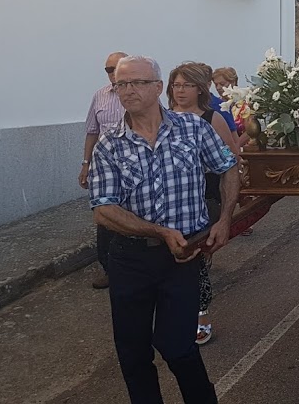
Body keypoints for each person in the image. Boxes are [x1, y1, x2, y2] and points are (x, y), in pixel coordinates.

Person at [89, 55, 239, 404]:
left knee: (178, 347)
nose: (127, 90)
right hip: (129, 259)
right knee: (133, 353)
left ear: (158, 87)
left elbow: (229, 167)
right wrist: (158, 232)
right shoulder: (110, 143)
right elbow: (103, 209)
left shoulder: (193, 128)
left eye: (137, 82)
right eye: (121, 84)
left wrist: (225, 218)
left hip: (183, 258)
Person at [166, 62, 242, 345]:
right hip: (174, 196)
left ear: (200, 89)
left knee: (194, 255)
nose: (180, 90)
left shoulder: (213, 117)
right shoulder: (164, 118)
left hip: (207, 192)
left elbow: (230, 158)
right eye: (176, 85)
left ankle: (201, 315)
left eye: (186, 85)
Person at [80, 51, 128, 290]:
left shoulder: (139, 94)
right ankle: (109, 268)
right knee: (105, 215)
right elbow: (91, 131)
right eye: (108, 70)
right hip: (103, 166)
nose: (112, 73)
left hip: (132, 164)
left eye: (117, 68)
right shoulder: (100, 96)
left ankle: (131, 264)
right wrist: (85, 164)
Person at [212, 66, 250, 149]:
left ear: (233, 82)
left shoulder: (246, 104)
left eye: (222, 84)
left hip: (245, 150)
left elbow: (250, 131)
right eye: (216, 84)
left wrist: (235, 148)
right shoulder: (216, 105)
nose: (218, 88)